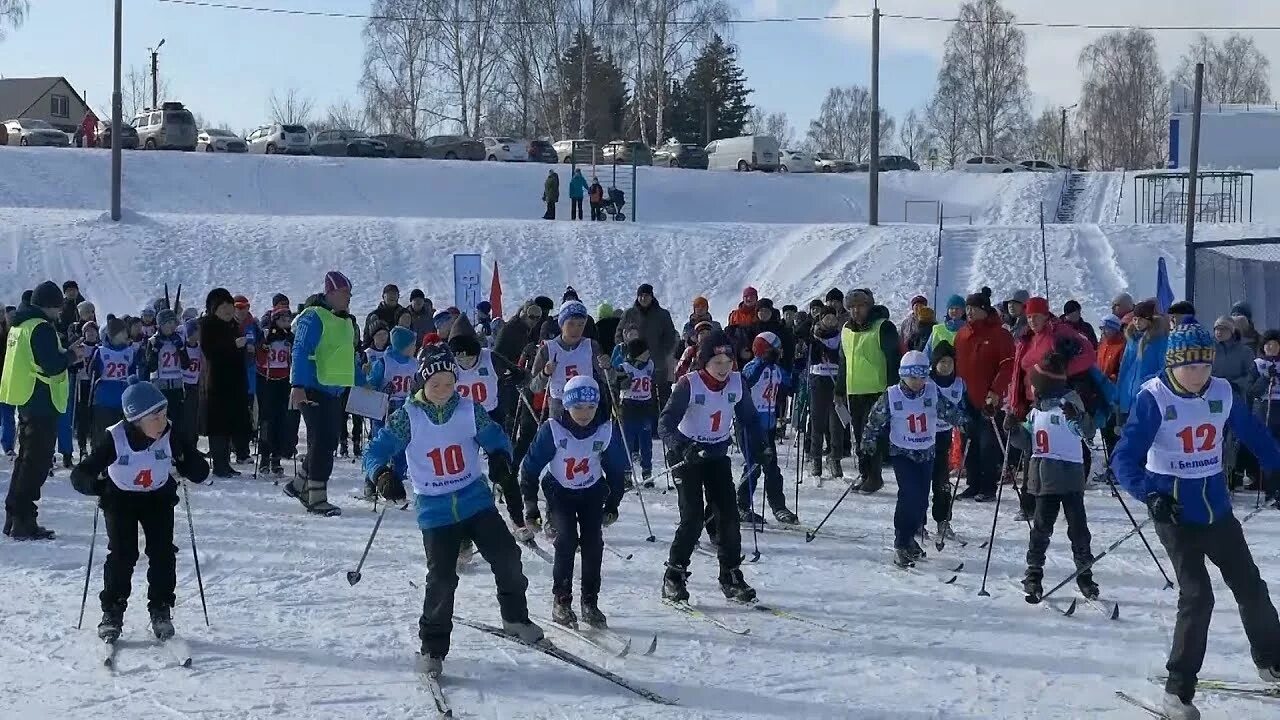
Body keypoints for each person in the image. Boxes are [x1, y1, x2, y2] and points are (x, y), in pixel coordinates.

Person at [1112, 319, 1280, 720]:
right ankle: (1178, 691)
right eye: (1190, 366)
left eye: (1205, 365)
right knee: (1198, 596)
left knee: (1250, 586)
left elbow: (1256, 436)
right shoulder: (1154, 398)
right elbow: (1123, 459)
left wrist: (1275, 466)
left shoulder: (1221, 391)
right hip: (1175, 514)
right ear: (1173, 365)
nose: (1199, 374)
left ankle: (1271, 660)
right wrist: (1149, 495)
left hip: (1217, 511)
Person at [362, 347, 542, 678]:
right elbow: (374, 451)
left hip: (474, 499)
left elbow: (496, 438)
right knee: (442, 580)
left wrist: (501, 457)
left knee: (507, 558)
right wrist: (382, 475)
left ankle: (515, 617)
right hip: (435, 509)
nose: (443, 392)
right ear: (423, 382)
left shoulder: (469, 409)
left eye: (449, 384)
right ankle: (432, 649)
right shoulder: (408, 416)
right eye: (436, 385)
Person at [71, 381, 209, 643]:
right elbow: (81, 474)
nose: (162, 421)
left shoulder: (171, 433)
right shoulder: (115, 437)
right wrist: (94, 485)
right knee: (123, 554)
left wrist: (186, 462)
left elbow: (199, 470)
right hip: (120, 498)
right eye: (154, 417)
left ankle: (160, 608)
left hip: (157, 497)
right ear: (136, 421)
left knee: (162, 552)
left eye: (164, 413)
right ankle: (112, 611)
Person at [660, 329, 766, 604]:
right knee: (692, 517)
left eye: (728, 363)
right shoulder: (689, 384)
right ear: (704, 362)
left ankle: (730, 574)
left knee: (728, 516)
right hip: (688, 455)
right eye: (716, 363)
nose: (723, 369)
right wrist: (682, 447)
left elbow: (750, 419)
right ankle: (674, 575)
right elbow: (666, 423)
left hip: (717, 454)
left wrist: (761, 446)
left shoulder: (736, 383)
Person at [520, 375, 626, 628]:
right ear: (566, 405)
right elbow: (531, 467)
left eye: (590, 407)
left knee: (593, 545)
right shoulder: (554, 430)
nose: (584, 413)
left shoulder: (605, 429)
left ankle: (590, 601)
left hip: (591, 492)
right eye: (577, 407)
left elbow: (615, 469)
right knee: (566, 541)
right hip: (560, 492)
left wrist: (613, 504)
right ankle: (562, 599)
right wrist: (531, 504)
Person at [860, 351, 968, 568]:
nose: (918, 383)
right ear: (903, 376)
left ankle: (909, 539)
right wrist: (868, 442)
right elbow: (874, 421)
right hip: (903, 453)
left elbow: (949, 411)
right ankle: (901, 542)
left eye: (922, 377)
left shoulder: (932, 391)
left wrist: (967, 422)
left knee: (921, 500)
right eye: (913, 378)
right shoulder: (892, 396)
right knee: (908, 497)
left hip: (926, 452)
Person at [1006, 350, 1097, 602]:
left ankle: (1085, 574)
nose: (1032, 389)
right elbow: (1027, 441)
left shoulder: (1068, 403)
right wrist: (1013, 428)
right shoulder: (1035, 411)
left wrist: (1077, 417)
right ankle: (1034, 572)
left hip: (1068, 477)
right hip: (1044, 479)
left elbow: (1086, 430)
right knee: (1041, 529)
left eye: (1035, 384)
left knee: (1078, 529)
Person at [0, 281, 84, 540]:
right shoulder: (40, 327)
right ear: (49, 305)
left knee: (25, 461)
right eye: (57, 307)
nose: (60, 312)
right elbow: (51, 364)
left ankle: (14, 517)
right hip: (41, 400)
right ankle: (24, 520)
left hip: (26, 398)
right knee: (35, 464)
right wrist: (72, 355)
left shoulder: (20, 324)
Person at [287, 271, 360, 517]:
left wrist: (363, 381)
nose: (348, 297)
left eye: (349, 293)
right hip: (313, 388)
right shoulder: (313, 316)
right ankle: (316, 496)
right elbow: (300, 350)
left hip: (335, 389)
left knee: (328, 441)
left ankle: (299, 484)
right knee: (320, 444)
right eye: (344, 293)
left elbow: (348, 357)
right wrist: (297, 385)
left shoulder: (346, 321)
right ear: (330, 293)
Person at [449, 315, 529, 531]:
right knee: (458, 474)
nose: (465, 362)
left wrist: (513, 380)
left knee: (504, 469)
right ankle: (460, 528)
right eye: (460, 359)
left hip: (490, 420)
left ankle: (518, 520)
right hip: (460, 422)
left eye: (469, 357)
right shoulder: (448, 364)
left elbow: (520, 374)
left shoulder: (490, 358)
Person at [954, 292, 1015, 502]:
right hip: (965, 397)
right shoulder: (962, 334)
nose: (969, 312)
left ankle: (988, 486)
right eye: (967, 308)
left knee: (987, 443)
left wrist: (996, 391)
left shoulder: (1000, 334)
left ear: (984, 309)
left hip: (990, 399)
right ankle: (972, 483)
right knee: (967, 441)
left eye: (974, 308)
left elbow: (1007, 365)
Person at [838, 288, 901, 494]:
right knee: (859, 434)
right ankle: (865, 474)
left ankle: (875, 477)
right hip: (854, 390)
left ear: (869, 306)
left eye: (861, 306)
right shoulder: (846, 330)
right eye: (852, 307)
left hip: (878, 390)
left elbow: (893, 359)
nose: (856, 311)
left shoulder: (883, 327)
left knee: (871, 435)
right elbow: (843, 361)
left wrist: (893, 388)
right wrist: (839, 389)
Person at [741, 331, 798, 524]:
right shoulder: (752, 366)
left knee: (772, 468)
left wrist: (797, 372)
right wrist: (763, 361)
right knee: (753, 467)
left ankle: (779, 506)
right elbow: (747, 381)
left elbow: (790, 384)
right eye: (775, 350)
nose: (779, 353)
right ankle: (741, 506)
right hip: (750, 425)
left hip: (769, 426)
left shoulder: (776, 369)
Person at [197, 289, 251, 478]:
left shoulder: (232, 325)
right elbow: (209, 352)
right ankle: (220, 464)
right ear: (214, 308)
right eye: (224, 306)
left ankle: (226, 463)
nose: (228, 310)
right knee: (218, 427)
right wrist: (233, 346)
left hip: (233, 384)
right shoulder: (207, 325)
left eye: (230, 306)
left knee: (229, 424)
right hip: (215, 384)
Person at [530, 301, 610, 419]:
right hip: (560, 410)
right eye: (571, 324)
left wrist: (607, 367)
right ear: (562, 324)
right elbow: (534, 387)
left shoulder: (591, 346)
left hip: (586, 408)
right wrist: (545, 373)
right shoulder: (548, 349)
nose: (576, 329)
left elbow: (609, 379)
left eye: (581, 325)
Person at [615, 284, 679, 414]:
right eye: (641, 295)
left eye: (646, 295)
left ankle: (664, 427)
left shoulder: (662, 314)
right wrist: (627, 351)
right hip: (634, 365)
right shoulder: (629, 314)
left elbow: (671, 336)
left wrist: (663, 353)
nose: (643, 298)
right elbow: (619, 334)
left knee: (663, 395)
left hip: (657, 361)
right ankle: (647, 428)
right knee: (642, 398)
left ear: (651, 296)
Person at [928, 341, 968, 541]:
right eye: (941, 362)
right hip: (923, 438)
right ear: (934, 364)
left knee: (942, 483)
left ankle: (943, 521)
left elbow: (964, 407)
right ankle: (917, 522)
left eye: (949, 362)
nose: (945, 366)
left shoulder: (959, 383)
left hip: (944, 437)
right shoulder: (926, 383)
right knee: (921, 482)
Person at [255, 307, 296, 477]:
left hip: (284, 381)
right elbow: (259, 358)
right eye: (283, 320)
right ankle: (264, 457)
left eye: (288, 320)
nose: (286, 323)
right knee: (267, 421)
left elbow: (295, 357)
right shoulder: (266, 334)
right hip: (267, 381)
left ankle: (276, 459)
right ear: (275, 320)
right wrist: (266, 345)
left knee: (282, 419)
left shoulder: (290, 337)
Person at [1116, 299, 1170, 424]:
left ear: (1150, 320)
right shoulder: (1132, 339)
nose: (1137, 322)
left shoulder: (1159, 340)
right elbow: (1125, 366)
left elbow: (1163, 368)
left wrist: (1148, 383)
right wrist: (1118, 391)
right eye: (1135, 318)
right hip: (1127, 396)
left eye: (1141, 319)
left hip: (1147, 396)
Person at [806, 308, 844, 478]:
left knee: (836, 423)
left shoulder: (841, 337)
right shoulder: (814, 336)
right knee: (817, 421)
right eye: (826, 318)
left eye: (832, 318)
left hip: (836, 381)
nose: (830, 321)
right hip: (818, 380)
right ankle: (815, 457)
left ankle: (835, 457)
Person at [614, 338, 657, 487]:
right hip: (629, 407)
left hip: (645, 406)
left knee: (646, 441)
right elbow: (615, 383)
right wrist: (624, 382)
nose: (648, 354)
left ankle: (647, 471)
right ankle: (626, 473)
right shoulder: (624, 367)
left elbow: (653, 380)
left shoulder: (650, 365)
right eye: (645, 352)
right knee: (628, 442)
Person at [144, 309, 189, 445]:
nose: (171, 326)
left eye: (173, 322)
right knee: (160, 420)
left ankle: (176, 450)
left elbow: (186, 365)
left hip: (176, 385)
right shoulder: (153, 341)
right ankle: (159, 447)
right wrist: (155, 350)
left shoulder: (179, 339)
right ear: (160, 325)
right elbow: (150, 366)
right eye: (167, 323)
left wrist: (181, 349)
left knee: (177, 421)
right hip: (160, 386)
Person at [181, 321, 203, 452]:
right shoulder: (183, 348)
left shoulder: (200, 348)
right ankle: (186, 447)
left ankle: (193, 446)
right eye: (197, 331)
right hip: (185, 386)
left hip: (196, 385)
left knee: (194, 419)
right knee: (186, 419)